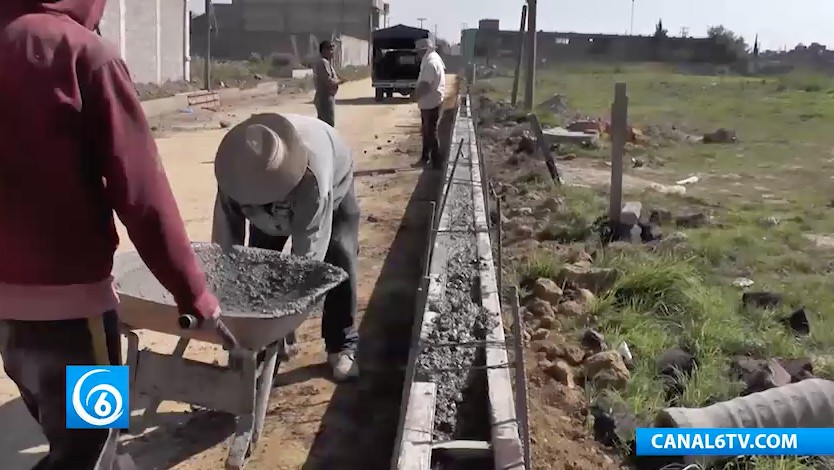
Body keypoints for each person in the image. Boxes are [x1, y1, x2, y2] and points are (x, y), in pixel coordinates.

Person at [0, 0, 222, 468]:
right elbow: (142, 195)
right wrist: (193, 292)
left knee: (75, 440)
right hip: (75, 313)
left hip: (7, 318)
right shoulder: (86, 55)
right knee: (93, 444)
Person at [212, 112, 360, 381]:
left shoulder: (313, 178)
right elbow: (226, 243)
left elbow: (308, 257)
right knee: (260, 265)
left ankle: (341, 345)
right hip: (269, 211)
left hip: (333, 183)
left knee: (339, 257)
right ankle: (264, 346)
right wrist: (229, 300)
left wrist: (291, 313)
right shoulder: (236, 171)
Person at [414, 38, 447, 168]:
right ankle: (425, 157)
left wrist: (415, 96)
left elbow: (425, 85)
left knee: (430, 132)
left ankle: (437, 161)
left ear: (424, 50)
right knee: (427, 131)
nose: (417, 54)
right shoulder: (433, 59)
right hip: (432, 101)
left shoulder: (430, 63)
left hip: (431, 102)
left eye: (418, 52)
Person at [313, 39, 344, 127]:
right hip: (324, 98)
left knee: (326, 124)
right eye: (330, 50)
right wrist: (340, 81)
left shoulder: (326, 63)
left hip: (326, 97)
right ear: (324, 51)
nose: (332, 52)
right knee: (327, 125)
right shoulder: (323, 62)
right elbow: (329, 81)